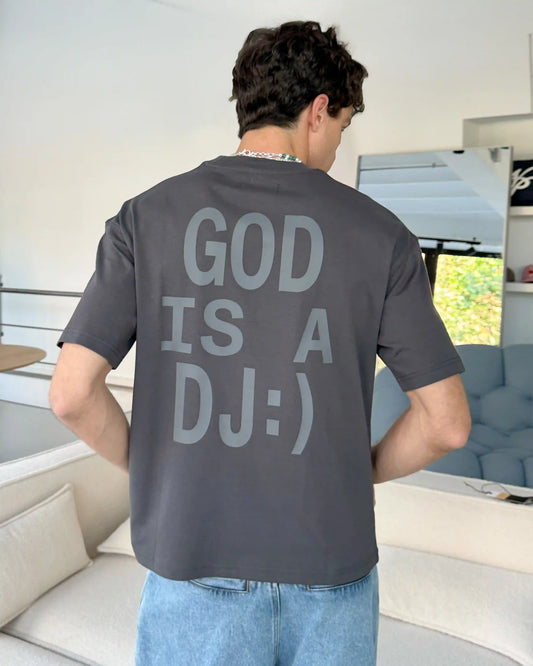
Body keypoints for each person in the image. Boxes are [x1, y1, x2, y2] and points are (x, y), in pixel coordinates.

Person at [49, 20, 471, 666]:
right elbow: (446, 424)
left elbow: (71, 394)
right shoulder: (381, 236)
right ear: (318, 111)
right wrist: (361, 470)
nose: (336, 149)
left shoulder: (145, 217)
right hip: (330, 571)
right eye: (341, 128)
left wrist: (156, 468)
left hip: (192, 564)